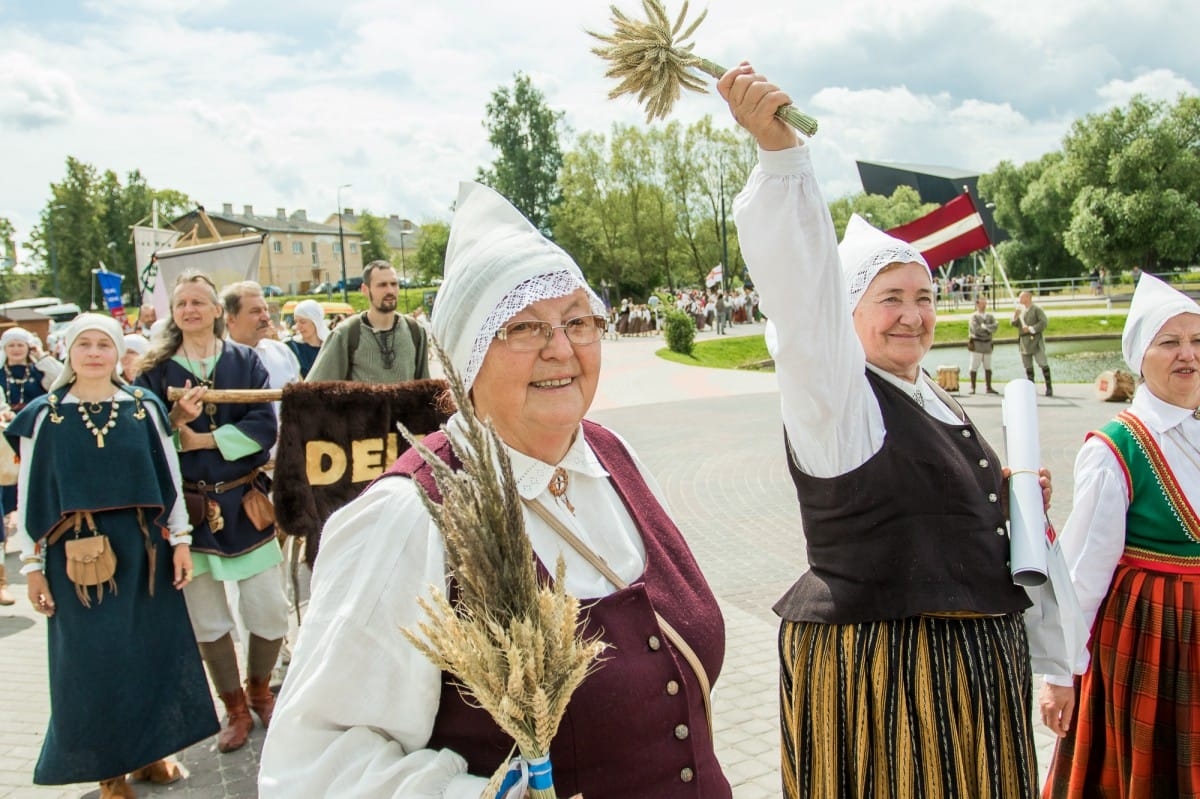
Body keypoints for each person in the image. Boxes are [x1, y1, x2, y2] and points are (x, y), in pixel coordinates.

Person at [259, 181, 731, 798]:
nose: (560, 349)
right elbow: (309, 766)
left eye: (577, 322)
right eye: (525, 328)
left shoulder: (614, 457)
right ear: (467, 355)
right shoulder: (410, 516)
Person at [721, 64, 1050, 798]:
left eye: (926, 297)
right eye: (891, 298)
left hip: (973, 673)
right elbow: (803, 297)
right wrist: (783, 160)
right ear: (847, 311)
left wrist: (998, 500)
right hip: (891, 678)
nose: (914, 314)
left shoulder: (928, 391)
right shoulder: (836, 396)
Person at [9, 313, 218, 799]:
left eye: (105, 344)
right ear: (68, 352)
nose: (96, 353)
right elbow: (29, 493)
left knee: (150, 655)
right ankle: (110, 773)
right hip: (75, 558)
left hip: (144, 552)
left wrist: (181, 540)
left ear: (118, 351)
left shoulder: (142, 406)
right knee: (92, 664)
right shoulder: (44, 414)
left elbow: (168, 478)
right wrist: (32, 568)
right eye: (85, 344)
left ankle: (149, 756)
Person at [1040, 273, 1200, 796]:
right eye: (1170, 342)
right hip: (1152, 645)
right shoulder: (1116, 448)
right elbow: (1082, 573)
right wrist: (1061, 673)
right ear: (1139, 356)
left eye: (1197, 341)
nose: (1188, 355)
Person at [135, 272, 287, 755]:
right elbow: (145, 435)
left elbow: (265, 423)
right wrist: (172, 421)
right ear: (173, 313)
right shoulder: (154, 372)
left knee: (269, 610)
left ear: (217, 311)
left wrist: (201, 439)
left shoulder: (246, 362)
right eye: (182, 303)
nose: (190, 310)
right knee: (207, 618)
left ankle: (261, 688)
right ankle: (235, 707)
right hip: (189, 509)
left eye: (199, 301)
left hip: (244, 502)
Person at [305, 261, 429, 384]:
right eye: (382, 285)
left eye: (394, 284)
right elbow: (313, 388)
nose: (390, 290)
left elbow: (426, 389)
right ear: (365, 289)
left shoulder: (415, 331)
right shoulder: (346, 334)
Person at [1012, 290, 1052, 396]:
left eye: (1021, 297)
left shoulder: (1036, 309)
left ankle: (1049, 388)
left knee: (1042, 363)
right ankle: (1031, 388)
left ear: (1027, 297)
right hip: (1024, 342)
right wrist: (1015, 316)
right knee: (1028, 366)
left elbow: (1043, 322)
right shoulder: (1021, 310)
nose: (1019, 299)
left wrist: (1031, 329)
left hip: (1035, 340)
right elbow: (1014, 324)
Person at [285, 299, 328, 378]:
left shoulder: (329, 346)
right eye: (296, 322)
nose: (297, 327)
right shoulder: (291, 346)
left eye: (302, 322)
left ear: (316, 322)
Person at [968, 295, 1000, 394]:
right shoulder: (974, 316)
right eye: (982, 303)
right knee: (974, 365)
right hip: (977, 343)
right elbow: (976, 329)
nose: (984, 305)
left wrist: (985, 327)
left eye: (985, 303)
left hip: (987, 344)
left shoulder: (990, 316)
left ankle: (989, 387)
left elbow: (995, 326)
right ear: (977, 304)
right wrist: (986, 330)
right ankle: (973, 387)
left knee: (988, 366)